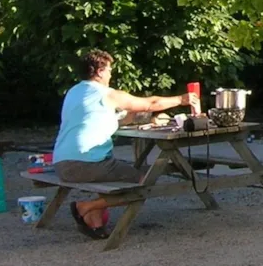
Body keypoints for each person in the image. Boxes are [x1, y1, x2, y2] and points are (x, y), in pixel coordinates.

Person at [52, 49, 201, 239]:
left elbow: (108, 119)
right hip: (85, 163)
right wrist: (182, 99)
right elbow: (150, 103)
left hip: (62, 162)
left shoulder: (75, 92)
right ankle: (86, 207)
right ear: (99, 71)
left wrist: (143, 119)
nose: (111, 74)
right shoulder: (106, 94)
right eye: (109, 69)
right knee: (142, 182)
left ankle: (95, 220)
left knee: (117, 173)